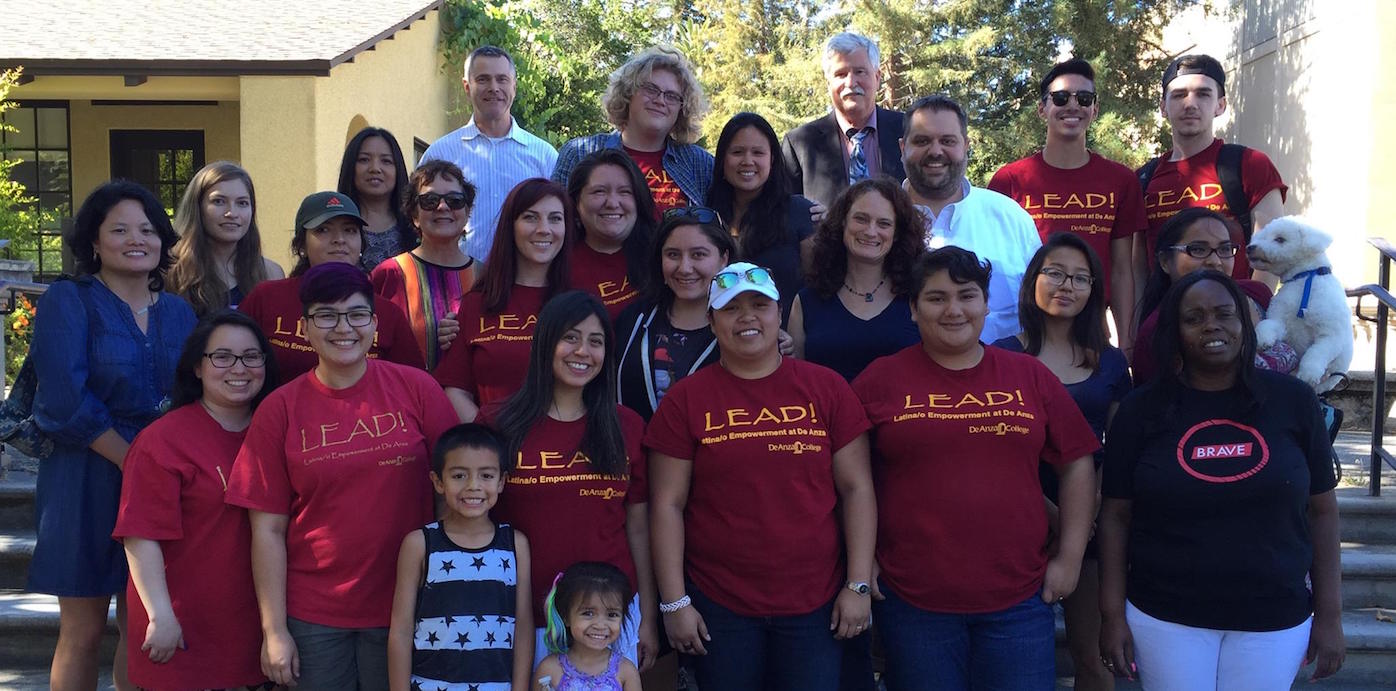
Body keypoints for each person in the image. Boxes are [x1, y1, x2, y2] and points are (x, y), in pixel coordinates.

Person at [851, 247, 1098, 691]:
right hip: (913, 601)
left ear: (986, 305)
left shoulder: (1030, 376)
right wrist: (859, 561)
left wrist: (1071, 557)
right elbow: (849, 479)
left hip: (1020, 598)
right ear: (912, 308)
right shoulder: (879, 380)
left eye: (967, 296)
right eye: (936, 298)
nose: (954, 310)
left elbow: (1078, 462)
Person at [1098, 270, 1344, 688]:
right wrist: (1111, 616)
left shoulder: (1293, 401)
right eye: (1194, 318)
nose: (1211, 325)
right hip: (1166, 615)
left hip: (1274, 616)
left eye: (1224, 314)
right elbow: (1115, 517)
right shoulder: (1140, 411)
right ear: (1174, 332)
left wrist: (1331, 616)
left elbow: (1322, 511)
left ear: (1244, 325)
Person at [225, 262, 458, 690]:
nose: (342, 328)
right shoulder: (279, 409)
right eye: (326, 316)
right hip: (315, 616)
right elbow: (267, 531)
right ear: (306, 328)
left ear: (374, 324)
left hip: (408, 606)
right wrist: (274, 631)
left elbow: (452, 495)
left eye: (355, 314)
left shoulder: (418, 389)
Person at [647, 262, 877, 691]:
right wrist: (675, 602)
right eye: (731, 309)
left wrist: (858, 584)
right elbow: (667, 504)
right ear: (712, 322)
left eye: (759, 305)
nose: (747, 317)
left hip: (816, 601)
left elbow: (857, 488)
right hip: (721, 605)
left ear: (779, 313)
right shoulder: (685, 400)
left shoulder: (826, 389)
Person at [28, 180, 198, 691]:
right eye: (119, 229)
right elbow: (62, 400)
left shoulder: (180, 312)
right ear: (94, 242)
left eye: (147, 229)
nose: (135, 239)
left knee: (143, 623)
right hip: (83, 478)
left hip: (162, 482)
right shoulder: (67, 301)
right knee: (81, 632)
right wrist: (134, 462)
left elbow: (194, 395)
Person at [486, 290, 657, 670]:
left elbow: (639, 528)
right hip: (522, 617)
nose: (583, 351)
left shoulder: (626, 425)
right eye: (570, 337)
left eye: (595, 342)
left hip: (608, 619)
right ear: (545, 343)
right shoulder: (498, 423)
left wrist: (646, 614)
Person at [991, 234, 1131, 691]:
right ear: (1033, 280)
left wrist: (1085, 513)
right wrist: (1054, 514)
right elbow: (992, 449)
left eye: (1079, 277)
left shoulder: (1110, 364)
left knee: (1092, 658)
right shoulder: (1001, 357)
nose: (1065, 285)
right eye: (1054, 273)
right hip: (1013, 517)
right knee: (1005, 655)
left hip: (1090, 522)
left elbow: (1121, 446)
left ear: (1094, 290)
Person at [113, 310, 277, 691]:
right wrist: (160, 615)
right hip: (180, 626)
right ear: (197, 368)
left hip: (258, 626)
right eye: (222, 356)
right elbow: (140, 535)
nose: (239, 367)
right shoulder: (163, 440)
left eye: (251, 356)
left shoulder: (277, 429)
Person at [987, 58, 1147, 354]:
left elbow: (1123, 270)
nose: (1072, 106)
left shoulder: (1121, 180)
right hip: (1024, 329)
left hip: (1092, 330)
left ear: (1094, 109)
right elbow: (995, 264)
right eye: (1060, 98)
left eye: (1083, 98)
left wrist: (1127, 341)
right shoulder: (1009, 180)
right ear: (1042, 108)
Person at [387, 423, 533, 691]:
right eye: (459, 476)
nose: (473, 486)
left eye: (486, 476)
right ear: (438, 482)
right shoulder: (419, 544)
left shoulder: (516, 544)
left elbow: (523, 627)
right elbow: (401, 630)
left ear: (501, 481)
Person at [239, 190, 423, 383]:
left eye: (349, 230)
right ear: (301, 244)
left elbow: (411, 384)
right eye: (323, 230)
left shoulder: (387, 313)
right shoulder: (266, 298)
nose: (339, 239)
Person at [901, 94, 1041, 343]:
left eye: (947, 141)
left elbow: (1044, 313)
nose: (935, 151)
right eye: (922, 141)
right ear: (903, 148)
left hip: (1003, 379)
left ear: (966, 146)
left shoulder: (1010, 217)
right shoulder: (877, 225)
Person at [1139, 54, 1287, 285]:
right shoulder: (1143, 179)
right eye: (1179, 95)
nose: (1190, 104)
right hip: (1161, 318)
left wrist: (1251, 313)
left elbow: (1270, 253)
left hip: (1233, 316)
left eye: (1203, 94)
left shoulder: (1251, 165)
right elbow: (1137, 269)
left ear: (1220, 105)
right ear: (1163, 107)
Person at [435, 178, 574, 422]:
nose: (544, 229)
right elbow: (455, 390)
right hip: (495, 451)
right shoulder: (477, 304)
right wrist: (491, 442)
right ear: (511, 226)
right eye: (530, 217)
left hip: (564, 454)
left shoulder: (580, 304)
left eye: (555, 218)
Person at [421, 45, 559, 263]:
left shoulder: (544, 156)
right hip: (457, 281)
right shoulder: (440, 154)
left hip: (523, 283)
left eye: (502, 79)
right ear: (467, 86)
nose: (494, 87)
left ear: (514, 85)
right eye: (483, 79)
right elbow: (421, 219)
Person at [790, 178, 923, 381]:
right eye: (861, 219)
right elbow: (796, 379)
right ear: (842, 222)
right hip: (828, 412)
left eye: (884, 223)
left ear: (897, 234)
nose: (870, 231)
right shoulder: (806, 301)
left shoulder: (919, 296)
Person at [553, 46, 713, 212]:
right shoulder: (580, 153)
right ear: (628, 93)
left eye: (672, 96)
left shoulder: (700, 164)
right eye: (651, 89)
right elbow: (556, 220)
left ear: (682, 108)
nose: (660, 100)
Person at [615, 208, 735, 421]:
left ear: (723, 258)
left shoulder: (742, 327)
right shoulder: (633, 319)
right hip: (633, 451)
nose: (685, 268)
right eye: (673, 255)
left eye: (698, 254)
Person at [709, 112, 817, 323]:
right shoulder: (707, 216)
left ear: (772, 159)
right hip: (717, 340)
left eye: (758, 152)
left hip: (784, 343)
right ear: (722, 159)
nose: (747, 161)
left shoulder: (800, 212)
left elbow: (817, 290)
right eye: (737, 152)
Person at [371, 159, 479, 369]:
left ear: (467, 213)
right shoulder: (389, 274)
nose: (442, 207)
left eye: (455, 200)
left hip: (471, 400)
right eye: (430, 200)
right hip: (401, 396)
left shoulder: (486, 277)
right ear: (414, 215)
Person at [782, 32, 907, 209]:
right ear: (828, 83)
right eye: (840, 74)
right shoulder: (800, 144)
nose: (850, 82)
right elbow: (786, 214)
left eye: (860, 72)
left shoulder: (908, 130)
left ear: (877, 78)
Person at [1130, 207, 1238, 385]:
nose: (1215, 261)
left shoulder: (1256, 295)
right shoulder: (1154, 334)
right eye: (1197, 249)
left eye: (1225, 249)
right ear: (1165, 261)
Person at [166, 161, 285, 315]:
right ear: (197, 207)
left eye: (242, 203)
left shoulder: (271, 273)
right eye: (219, 201)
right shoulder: (170, 270)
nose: (232, 213)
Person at [565, 150, 656, 320]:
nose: (613, 203)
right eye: (599, 192)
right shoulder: (559, 265)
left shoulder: (663, 255)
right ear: (576, 201)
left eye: (625, 192)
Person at [534, 562, 644, 691]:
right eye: (588, 613)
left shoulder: (626, 672)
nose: (600, 625)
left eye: (612, 614)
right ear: (565, 617)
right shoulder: (549, 670)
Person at [338, 127, 416, 268]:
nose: (375, 168)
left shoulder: (416, 226)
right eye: (364, 159)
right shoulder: (334, 224)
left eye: (386, 161)